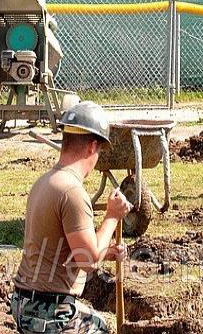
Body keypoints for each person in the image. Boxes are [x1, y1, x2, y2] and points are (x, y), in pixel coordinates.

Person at [11, 101, 132, 333]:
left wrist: (107, 252)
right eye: (98, 152)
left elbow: (64, 251)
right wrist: (112, 217)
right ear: (92, 147)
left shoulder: (45, 182)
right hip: (47, 313)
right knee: (100, 329)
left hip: (25, 304)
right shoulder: (72, 192)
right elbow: (88, 261)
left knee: (96, 322)